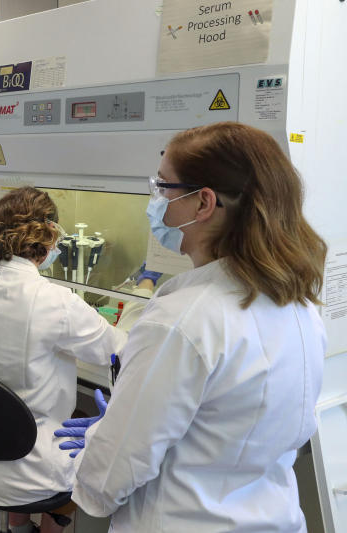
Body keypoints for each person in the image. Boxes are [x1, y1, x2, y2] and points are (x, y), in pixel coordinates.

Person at [57, 122, 327, 532]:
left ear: (203, 203)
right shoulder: (300, 306)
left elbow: (107, 480)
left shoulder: (180, 321)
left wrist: (104, 437)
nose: (157, 200)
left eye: (164, 186)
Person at [0, 187, 126, 533]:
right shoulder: (57, 301)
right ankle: (50, 529)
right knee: (86, 438)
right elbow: (116, 349)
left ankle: (18, 528)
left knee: (16, 413)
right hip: (27, 471)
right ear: (48, 236)